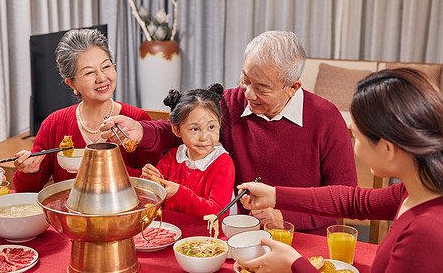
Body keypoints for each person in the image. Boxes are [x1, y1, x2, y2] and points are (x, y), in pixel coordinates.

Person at [101, 31, 357, 235]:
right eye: (245, 79)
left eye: (262, 88)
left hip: (302, 236)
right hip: (238, 233)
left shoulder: (326, 119)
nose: (248, 93)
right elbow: (184, 127)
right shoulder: (231, 103)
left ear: (293, 88)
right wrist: (141, 131)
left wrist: (284, 217)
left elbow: (344, 199)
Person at [237, 68, 443, 273]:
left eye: (357, 137)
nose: (355, 146)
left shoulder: (426, 232)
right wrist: (274, 195)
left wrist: (294, 265)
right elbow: (354, 201)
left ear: (387, 148)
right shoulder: (415, 189)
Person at [13, 29, 160, 192]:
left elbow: (154, 184)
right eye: (89, 72)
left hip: (123, 215)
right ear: (72, 84)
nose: (102, 78)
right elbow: (27, 191)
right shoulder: (53, 124)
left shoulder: (138, 120)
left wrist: (107, 171)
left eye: (106, 66)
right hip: (71, 216)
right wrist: (29, 170)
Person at [141, 83, 235, 220]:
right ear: (176, 129)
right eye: (195, 129)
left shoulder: (223, 163)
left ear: (220, 123)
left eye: (211, 127)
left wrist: (179, 193)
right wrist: (148, 180)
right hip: (168, 232)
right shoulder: (172, 157)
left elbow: (218, 214)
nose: (204, 137)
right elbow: (152, 200)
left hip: (205, 239)